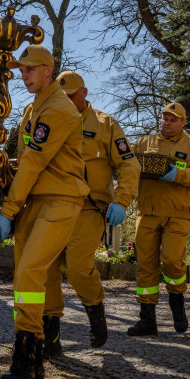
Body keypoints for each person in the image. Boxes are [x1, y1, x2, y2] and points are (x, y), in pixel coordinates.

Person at [0, 45, 88, 379]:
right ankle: (35, 356)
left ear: (50, 69)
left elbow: (33, 161)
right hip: (35, 200)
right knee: (25, 275)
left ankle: (26, 357)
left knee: (30, 271)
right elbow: (21, 160)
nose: (23, 75)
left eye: (30, 69)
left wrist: (7, 210)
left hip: (60, 200)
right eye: (22, 69)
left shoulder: (58, 108)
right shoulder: (33, 107)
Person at [42, 71, 140, 355]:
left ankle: (95, 308)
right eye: (62, 97)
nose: (68, 102)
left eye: (72, 96)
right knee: (46, 268)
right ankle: (50, 333)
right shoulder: (50, 119)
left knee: (76, 267)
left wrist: (122, 201)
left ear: (84, 92)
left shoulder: (105, 124)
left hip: (89, 207)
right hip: (52, 204)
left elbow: (128, 165)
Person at [128, 102, 190, 336]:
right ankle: (147, 318)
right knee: (145, 265)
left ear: (183, 122)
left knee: (172, 260)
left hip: (179, 213)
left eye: (173, 119)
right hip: (147, 211)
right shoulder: (145, 143)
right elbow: (128, 164)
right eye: (165, 118)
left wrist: (179, 174)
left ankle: (177, 304)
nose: (168, 122)